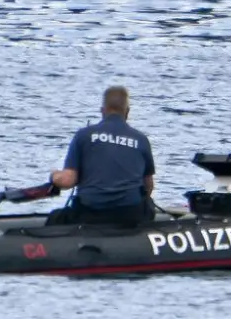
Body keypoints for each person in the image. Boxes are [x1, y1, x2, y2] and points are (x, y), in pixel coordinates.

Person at [49, 85, 155, 228]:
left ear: (102, 111)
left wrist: (55, 176)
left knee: (55, 218)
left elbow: (68, 181)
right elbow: (148, 186)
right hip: (130, 215)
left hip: (90, 214)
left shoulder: (84, 135)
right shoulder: (141, 140)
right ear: (127, 112)